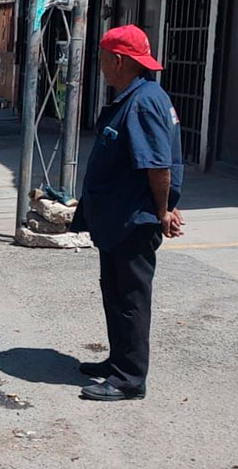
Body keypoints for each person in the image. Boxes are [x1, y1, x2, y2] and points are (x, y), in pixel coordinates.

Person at [71, 24, 184, 402]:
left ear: (118, 61)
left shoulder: (143, 102)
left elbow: (158, 166)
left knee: (131, 301)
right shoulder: (137, 96)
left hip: (133, 220)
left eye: (103, 59)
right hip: (117, 218)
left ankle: (130, 379)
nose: (101, 66)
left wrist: (163, 211)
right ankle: (118, 361)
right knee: (115, 295)